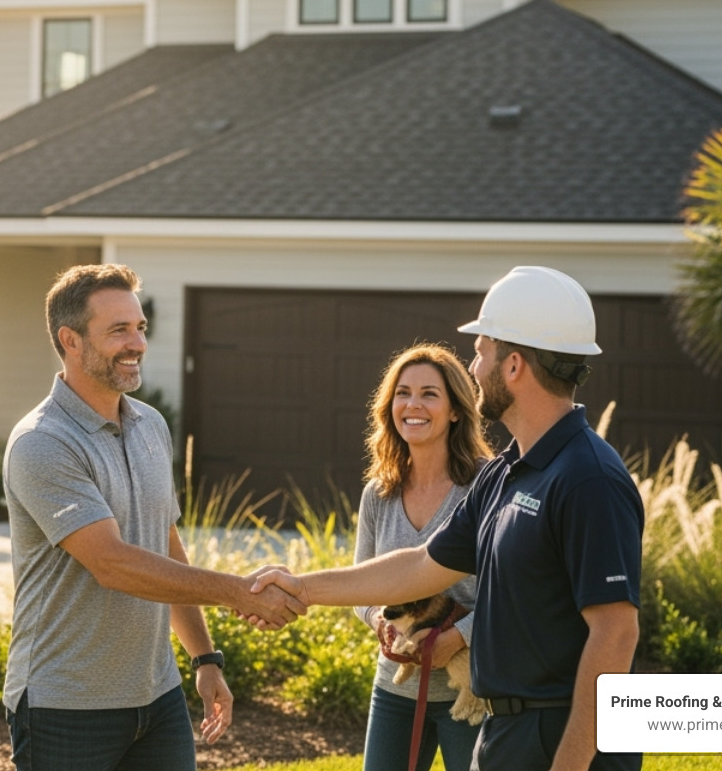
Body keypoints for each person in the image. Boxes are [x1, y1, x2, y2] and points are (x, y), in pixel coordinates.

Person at [250, 266, 644, 771]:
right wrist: (301, 587)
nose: (474, 367)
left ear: (515, 365)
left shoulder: (589, 478)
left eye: (481, 351)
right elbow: (419, 566)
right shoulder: (504, 474)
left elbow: (615, 633)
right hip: (504, 734)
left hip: (563, 739)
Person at [3, 263, 307, 771]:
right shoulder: (43, 442)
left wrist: (205, 658)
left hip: (157, 697)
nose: (137, 343)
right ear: (70, 340)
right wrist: (237, 590)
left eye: (140, 327)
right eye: (118, 330)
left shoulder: (150, 425)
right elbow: (113, 564)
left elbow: (164, 542)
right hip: (66, 705)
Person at [354, 344, 494, 771]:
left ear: (455, 410)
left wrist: (457, 637)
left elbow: (507, 592)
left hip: (468, 694)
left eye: (429, 393)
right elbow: (363, 589)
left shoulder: (484, 488)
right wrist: (380, 621)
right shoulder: (379, 493)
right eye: (403, 393)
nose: (413, 404)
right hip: (396, 692)